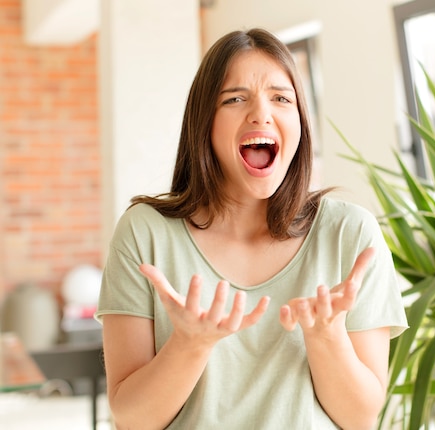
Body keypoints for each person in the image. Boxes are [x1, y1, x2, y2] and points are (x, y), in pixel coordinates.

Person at [95, 27, 408, 430]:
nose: (261, 113)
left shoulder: (349, 234)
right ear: (204, 121)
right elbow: (132, 419)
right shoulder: (145, 233)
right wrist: (190, 345)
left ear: (300, 122)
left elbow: (360, 417)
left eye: (281, 98)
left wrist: (326, 338)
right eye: (235, 98)